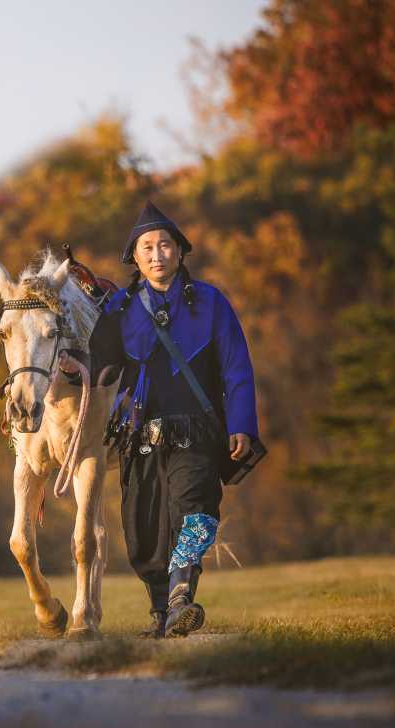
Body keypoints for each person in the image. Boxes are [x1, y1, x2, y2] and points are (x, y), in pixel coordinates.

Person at [93, 201, 259, 638]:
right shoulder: (118, 310)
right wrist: (73, 368)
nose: (156, 253)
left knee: (195, 509)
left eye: (165, 244)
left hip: (197, 432)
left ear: (180, 251)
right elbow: (99, 365)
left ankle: (182, 595)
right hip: (138, 436)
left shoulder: (211, 302)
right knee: (142, 527)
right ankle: (161, 612)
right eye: (146, 246)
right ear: (134, 256)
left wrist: (241, 422)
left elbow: (237, 367)